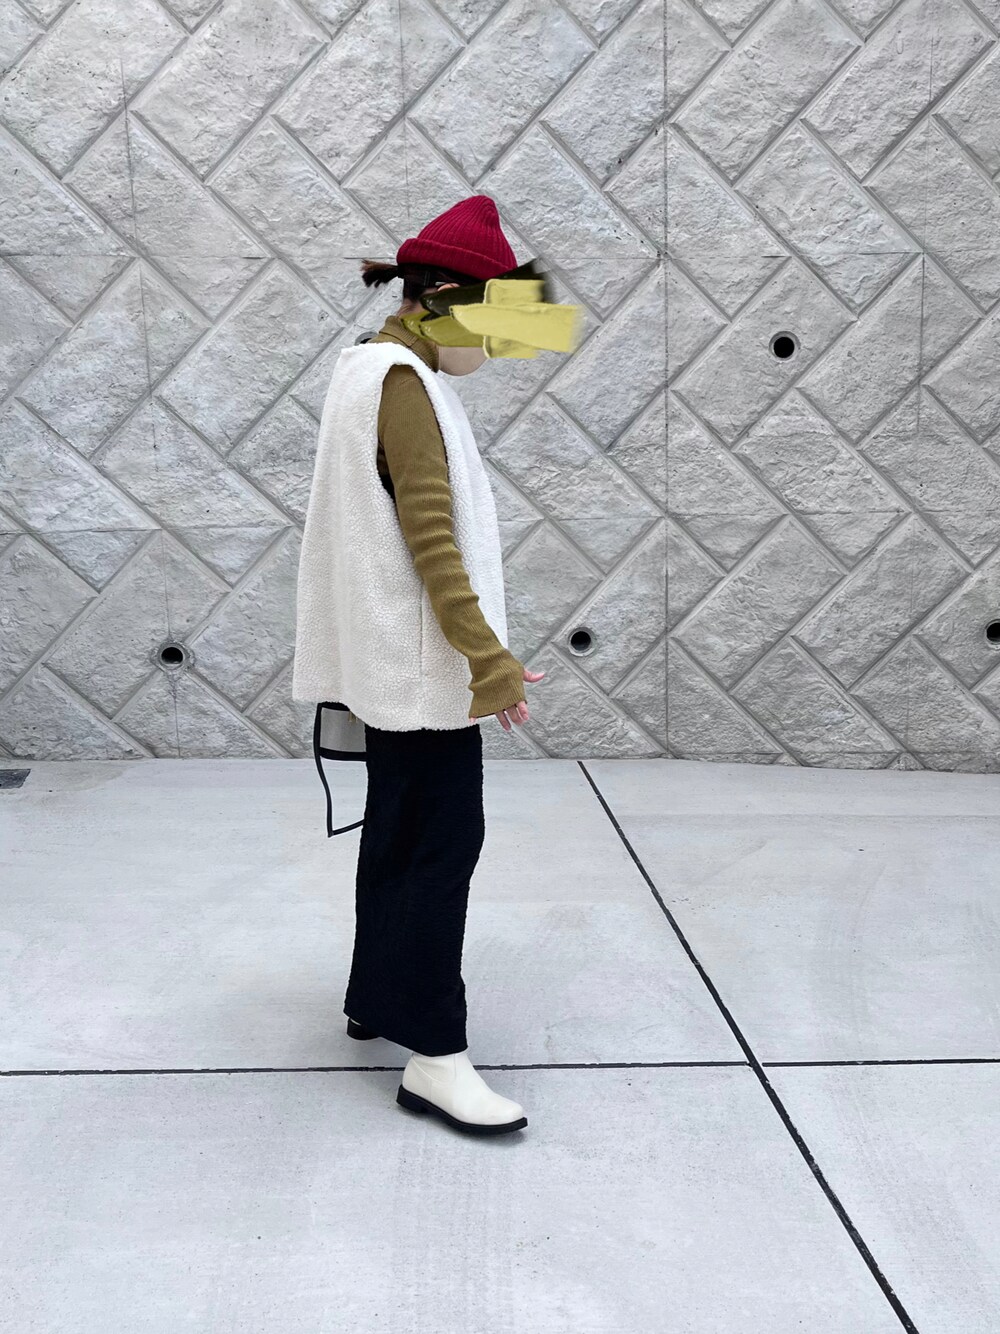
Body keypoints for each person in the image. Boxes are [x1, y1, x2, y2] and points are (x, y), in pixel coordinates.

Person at [292, 195, 546, 1136]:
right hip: (422, 668)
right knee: (442, 847)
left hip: (388, 661)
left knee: (397, 835)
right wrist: (489, 659)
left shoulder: (367, 363)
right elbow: (431, 538)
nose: (499, 344)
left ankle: (376, 999)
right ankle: (435, 1056)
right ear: (444, 298)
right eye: (492, 317)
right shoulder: (404, 382)